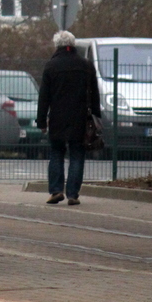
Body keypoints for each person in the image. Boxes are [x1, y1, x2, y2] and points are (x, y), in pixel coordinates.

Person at [36, 30, 101, 206]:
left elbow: (44, 97)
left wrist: (41, 121)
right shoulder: (86, 65)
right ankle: (73, 194)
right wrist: (96, 116)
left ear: (57, 45)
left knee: (56, 152)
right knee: (77, 154)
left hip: (57, 118)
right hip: (81, 118)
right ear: (73, 45)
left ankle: (56, 190)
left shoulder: (51, 66)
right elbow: (94, 94)